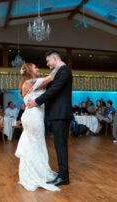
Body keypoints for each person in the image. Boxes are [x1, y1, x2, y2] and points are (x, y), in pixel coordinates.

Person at [27, 50, 73, 187]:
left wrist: (37, 102)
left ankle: (64, 177)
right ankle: (61, 174)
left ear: (54, 58)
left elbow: (54, 90)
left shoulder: (64, 71)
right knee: (59, 145)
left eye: (48, 61)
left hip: (61, 113)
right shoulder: (58, 71)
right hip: (57, 114)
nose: (47, 64)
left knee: (61, 145)